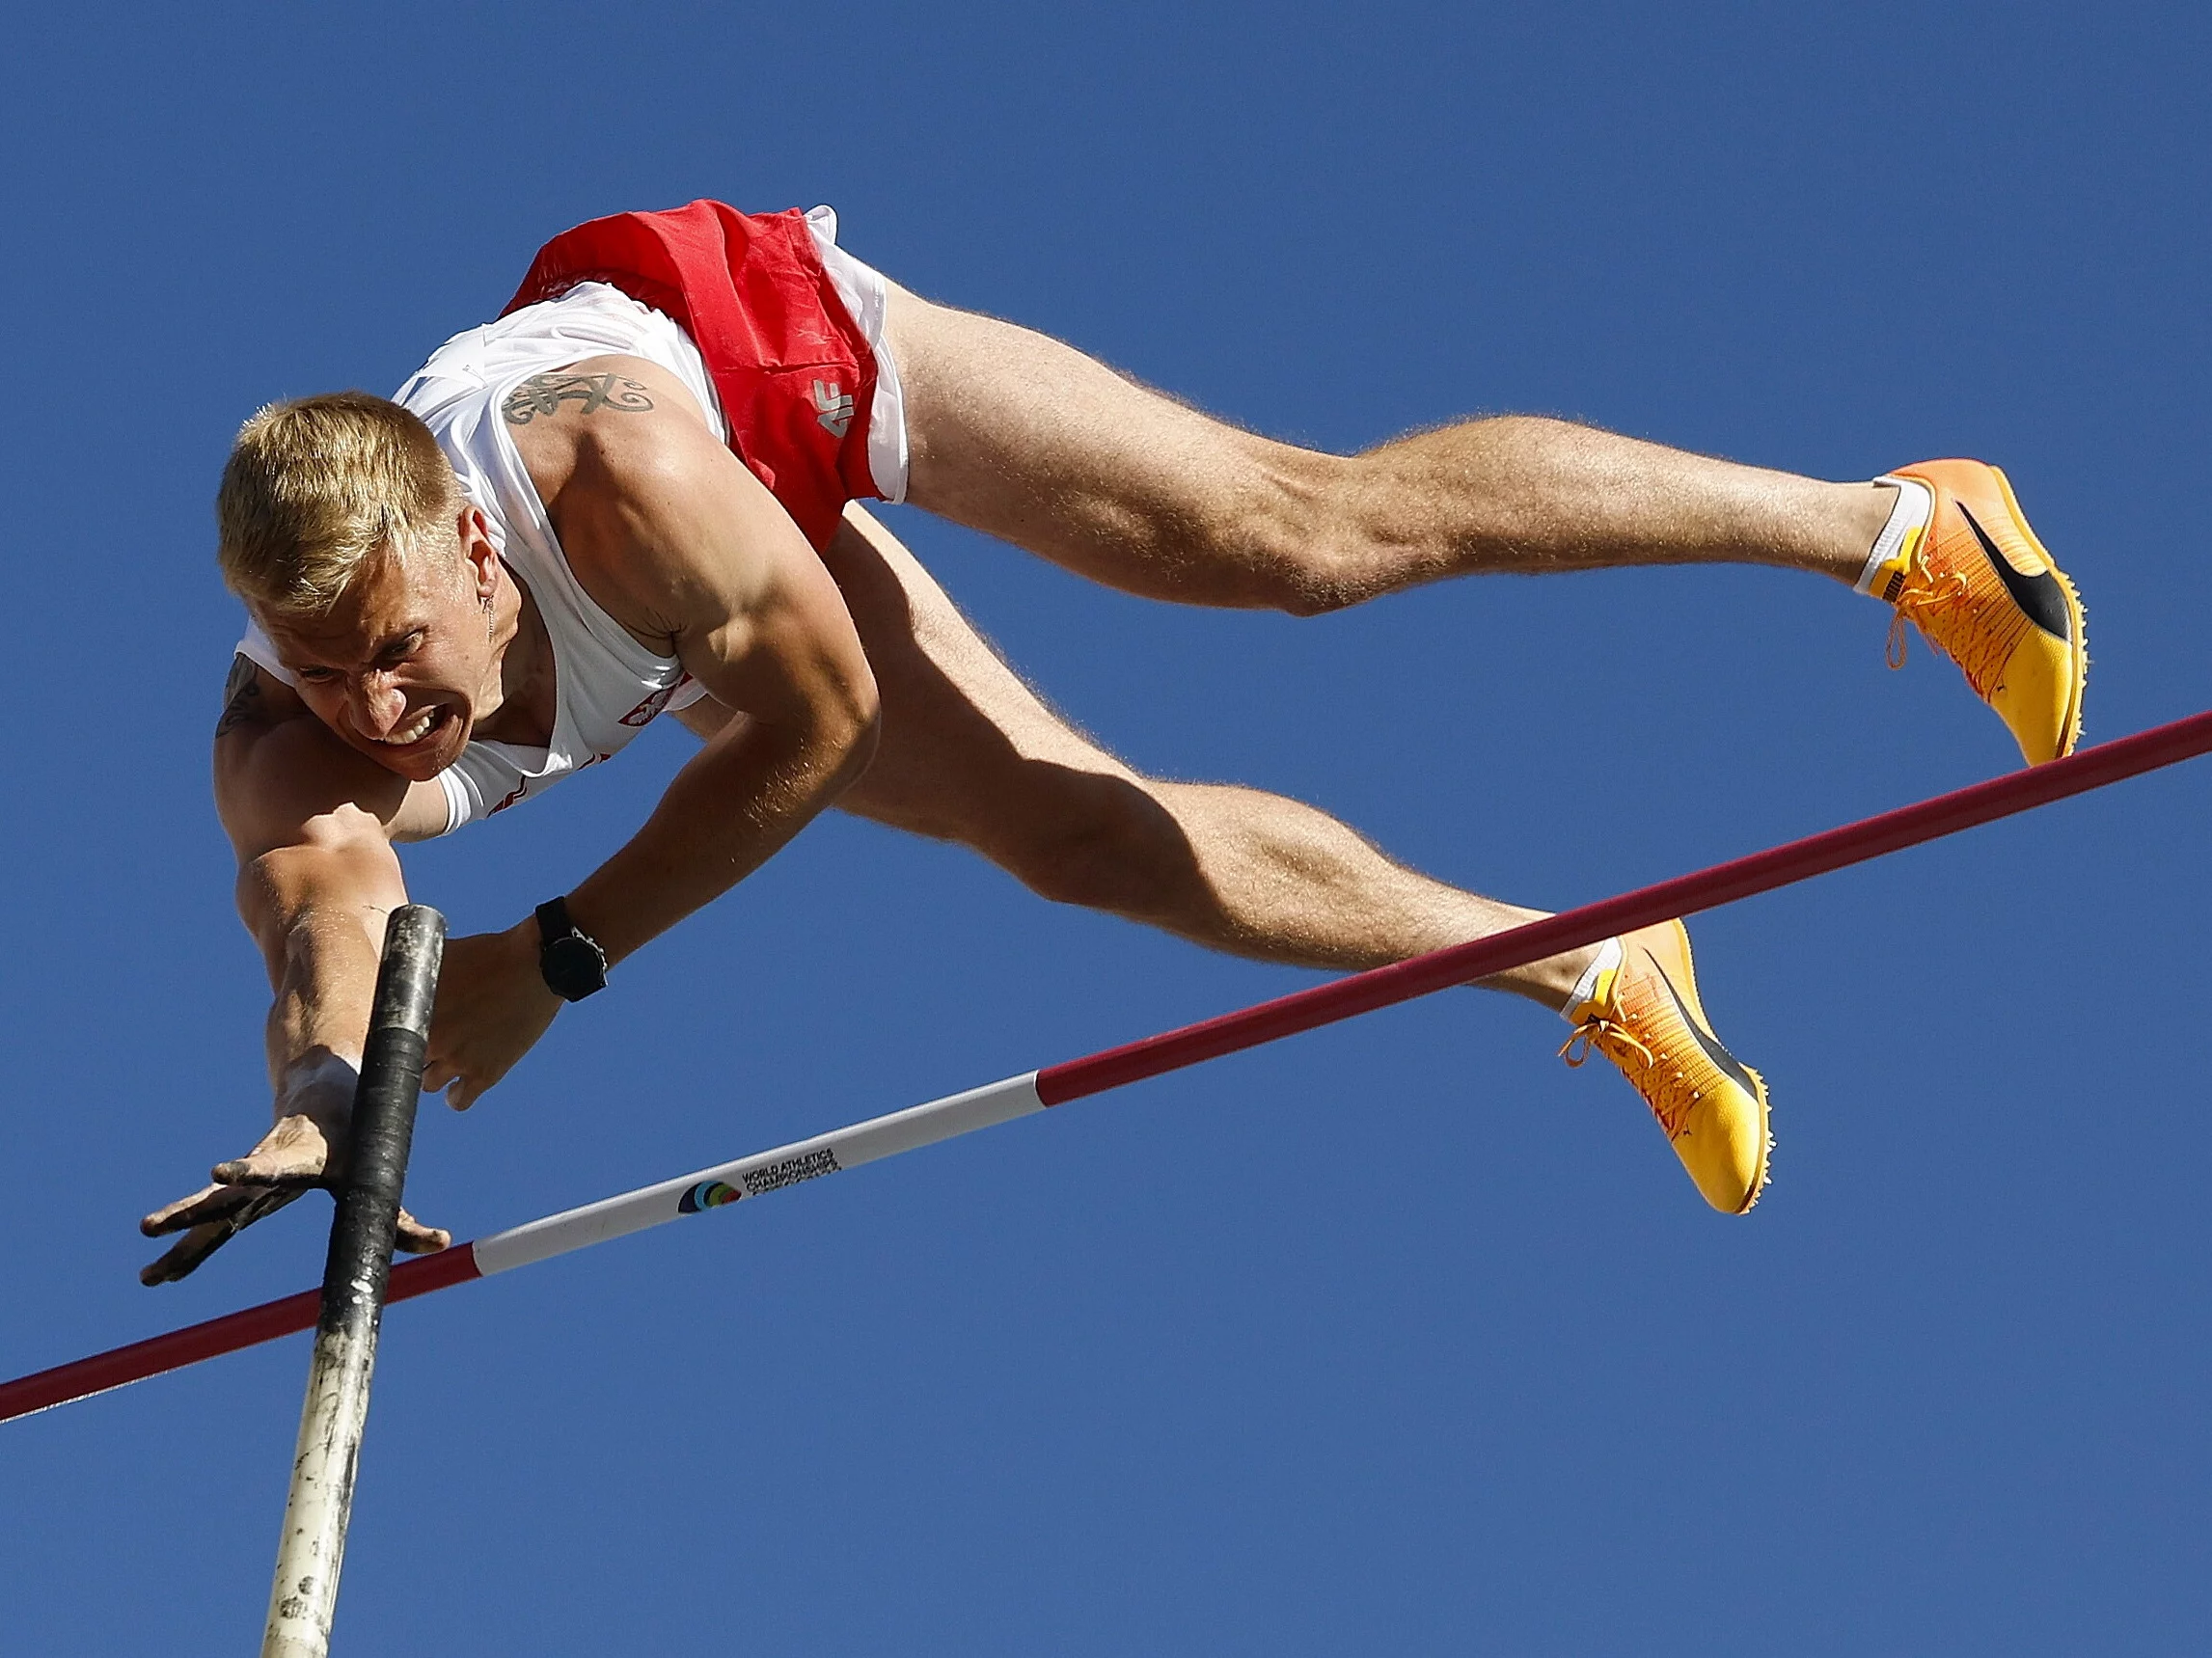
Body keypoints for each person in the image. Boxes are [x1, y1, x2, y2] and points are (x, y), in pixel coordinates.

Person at [141, 201, 2088, 1283]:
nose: (380, 717)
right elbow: (327, 897)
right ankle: (1595, 964)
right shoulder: (299, 735)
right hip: (694, 621)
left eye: (398, 656)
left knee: (1299, 541)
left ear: (477, 549)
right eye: (325, 681)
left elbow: (810, 724)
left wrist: (558, 957)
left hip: (746, 355)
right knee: (1081, 842)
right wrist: (331, 1091)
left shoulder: (623, 485)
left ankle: (1899, 524)